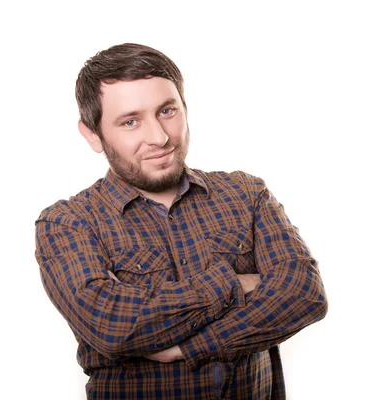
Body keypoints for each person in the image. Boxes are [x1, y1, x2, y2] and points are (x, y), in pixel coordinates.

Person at [34, 43, 327, 399]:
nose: (159, 137)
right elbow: (113, 327)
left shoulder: (246, 193)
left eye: (167, 111)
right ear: (93, 134)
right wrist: (237, 283)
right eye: (130, 121)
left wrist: (191, 346)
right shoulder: (68, 223)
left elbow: (305, 294)